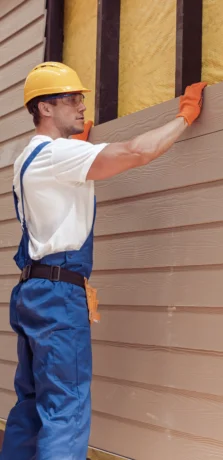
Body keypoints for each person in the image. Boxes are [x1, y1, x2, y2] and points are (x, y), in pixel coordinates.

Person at [0, 61, 207, 460]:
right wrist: (184, 116)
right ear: (45, 108)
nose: (81, 106)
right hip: (59, 295)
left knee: (32, 402)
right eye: (72, 98)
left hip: (32, 290)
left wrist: (81, 146)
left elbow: (63, 184)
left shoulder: (29, 158)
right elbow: (136, 152)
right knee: (66, 408)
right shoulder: (58, 155)